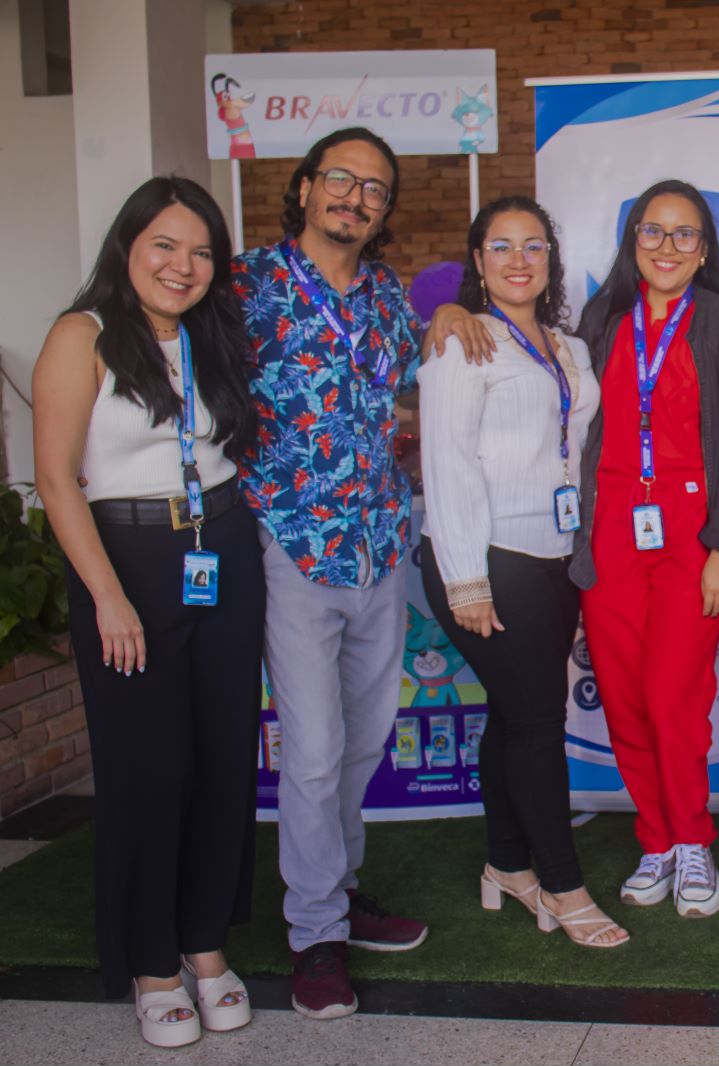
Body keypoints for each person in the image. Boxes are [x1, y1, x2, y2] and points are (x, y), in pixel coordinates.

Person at [230, 127, 485, 1018]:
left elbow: (412, 383)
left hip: (379, 546)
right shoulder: (244, 287)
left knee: (367, 741)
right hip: (294, 548)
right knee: (310, 753)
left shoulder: (382, 295)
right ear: (303, 189)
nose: (355, 196)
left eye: (374, 188)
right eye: (340, 178)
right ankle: (314, 936)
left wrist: (447, 319)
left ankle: (335, 892)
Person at [33, 177, 261, 1048]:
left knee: (220, 758)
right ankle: (152, 962)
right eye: (165, 245)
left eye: (202, 251)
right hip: (127, 560)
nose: (184, 265)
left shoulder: (209, 334)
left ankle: (205, 945)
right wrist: (108, 596)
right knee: (149, 767)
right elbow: (57, 478)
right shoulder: (81, 335)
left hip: (223, 549)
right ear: (128, 245)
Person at [571, 179, 719, 918]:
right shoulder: (601, 320)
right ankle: (655, 842)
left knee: (672, 697)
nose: (667, 247)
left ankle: (692, 841)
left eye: (683, 234)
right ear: (634, 242)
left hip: (694, 533)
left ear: (703, 251)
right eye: (652, 232)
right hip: (611, 531)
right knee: (625, 701)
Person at [417, 195, 625, 947]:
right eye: (499, 246)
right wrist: (466, 579)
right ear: (477, 261)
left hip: (553, 555)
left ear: (550, 260)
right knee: (539, 724)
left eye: (532, 246)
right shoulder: (462, 342)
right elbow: (446, 462)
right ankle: (565, 890)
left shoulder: (568, 347)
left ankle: (506, 863)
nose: (517, 260)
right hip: (487, 558)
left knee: (513, 715)